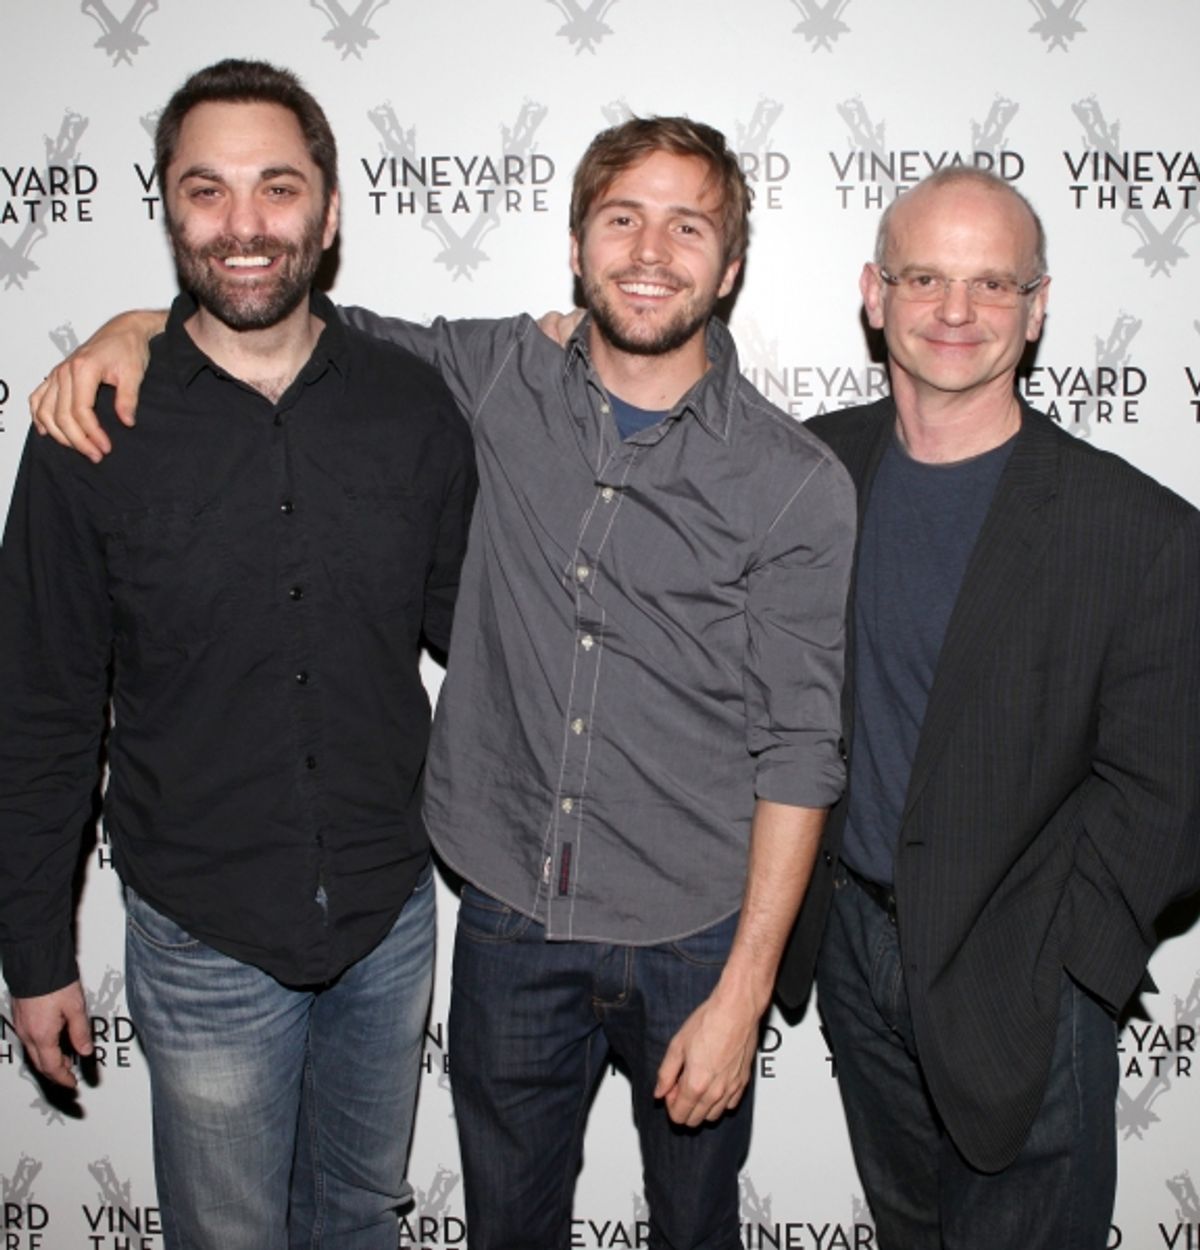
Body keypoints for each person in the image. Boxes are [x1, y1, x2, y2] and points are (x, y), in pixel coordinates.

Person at [26, 117, 856, 1249]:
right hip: (508, 911)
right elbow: (284, 321)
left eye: (687, 223)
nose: (650, 249)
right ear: (577, 244)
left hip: (697, 930)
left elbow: (803, 745)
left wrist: (745, 986)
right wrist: (138, 326)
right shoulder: (492, 369)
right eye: (622, 218)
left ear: (733, 262)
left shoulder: (793, 480)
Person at [0, 59, 475, 1250]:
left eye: (277, 186)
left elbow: (483, 637)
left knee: (361, 1222)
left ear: (329, 209)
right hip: (201, 927)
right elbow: (42, 710)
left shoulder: (414, 408)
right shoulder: (86, 430)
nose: (246, 224)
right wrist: (37, 954)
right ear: (167, 207)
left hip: (385, 915)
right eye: (207, 191)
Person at [773, 168, 1200, 1249]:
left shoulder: (1138, 530)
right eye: (925, 276)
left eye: (992, 284)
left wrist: (1072, 967)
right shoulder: (812, 470)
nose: (955, 311)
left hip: (1026, 964)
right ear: (875, 292)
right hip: (854, 945)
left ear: (1038, 306)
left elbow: (1170, 793)